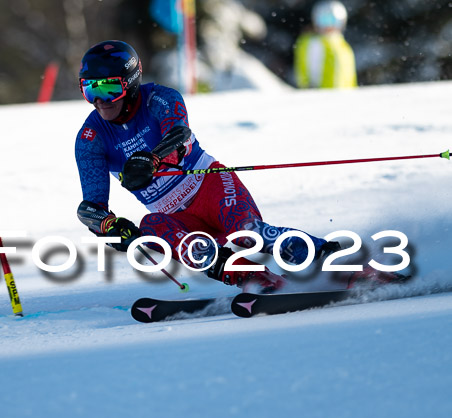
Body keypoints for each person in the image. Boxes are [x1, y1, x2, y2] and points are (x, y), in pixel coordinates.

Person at [74, 40, 346, 293]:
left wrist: (153, 160)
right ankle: (257, 281)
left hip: (210, 186)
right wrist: (110, 226)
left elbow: (178, 134)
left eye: (109, 89)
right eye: (90, 89)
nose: (99, 100)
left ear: (131, 82)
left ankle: (338, 262)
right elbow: (90, 207)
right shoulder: (91, 138)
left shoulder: (159, 98)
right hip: (176, 215)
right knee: (153, 226)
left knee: (246, 233)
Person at [294, 1, 357, 89]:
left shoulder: (345, 47)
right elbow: (303, 70)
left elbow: (351, 78)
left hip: (343, 99)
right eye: (324, 20)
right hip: (321, 97)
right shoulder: (311, 43)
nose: (329, 25)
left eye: (333, 20)